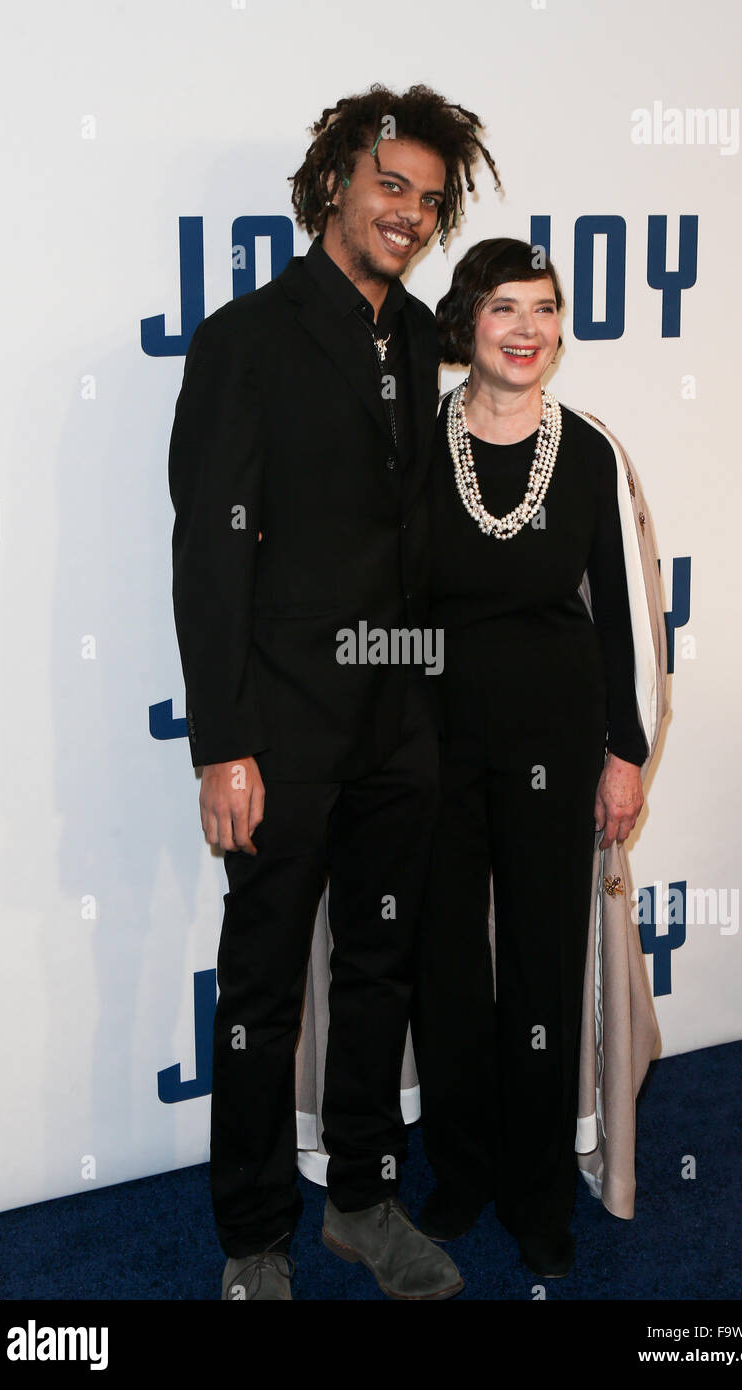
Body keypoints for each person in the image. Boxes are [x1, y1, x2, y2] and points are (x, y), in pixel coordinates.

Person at [167, 84, 499, 1301]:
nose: (407, 211)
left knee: (381, 968)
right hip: (282, 729)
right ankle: (253, 1237)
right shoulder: (243, 341)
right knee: (259, 985)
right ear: (334, 187)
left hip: (398, 718)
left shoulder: (419, 340)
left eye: (426, 195)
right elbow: (211, 553)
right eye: (389, 185)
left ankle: (358, 1196)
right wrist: (224, 742)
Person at [411, 237, 654, 1279]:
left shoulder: (589, 449)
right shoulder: (411, 442)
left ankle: (538, 1190)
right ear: (465, 319)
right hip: (430, 751)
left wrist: (623, 751)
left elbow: (618, 623)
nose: (524, 329)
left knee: (545, 971)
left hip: (557, 747)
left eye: (543, 308)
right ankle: (461, 1173)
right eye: (503, 306)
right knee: (447, 974)